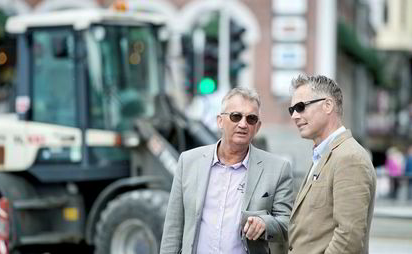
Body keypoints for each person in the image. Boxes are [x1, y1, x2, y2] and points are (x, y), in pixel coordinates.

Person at [160, 87, 294, 254]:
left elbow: (288, 223)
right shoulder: (188, 161)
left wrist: (265, 224)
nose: (243, 124)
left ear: (257, 127)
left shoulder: (278, 168)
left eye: (251, 119)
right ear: (220, 121)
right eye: (236, 116)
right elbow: (173, 227)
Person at [287, 74, 376, 254]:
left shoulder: (349, 158)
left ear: (328, 105)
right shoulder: (325, 154)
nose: (295, 116)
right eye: (292, 110)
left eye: (301, 107)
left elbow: (348, 239)